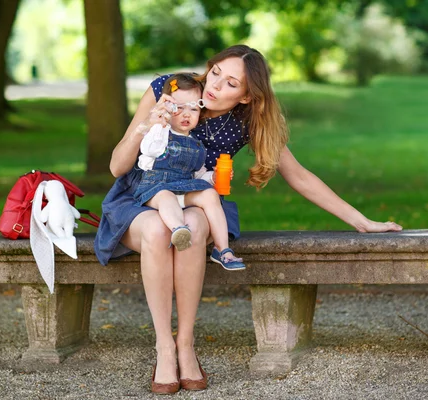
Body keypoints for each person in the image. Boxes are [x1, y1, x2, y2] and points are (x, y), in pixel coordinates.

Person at [94, 44, 402, 394]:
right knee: (155, 227)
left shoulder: (246, 121)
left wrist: (361, 221)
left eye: (230, 83)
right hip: (139, 201)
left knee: (192, 226)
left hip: (196, 204)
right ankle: (164, 348)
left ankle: (186, 344)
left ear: (245, 96)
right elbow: (118, 166)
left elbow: (298, 176)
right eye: (215, 74)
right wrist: (146, 125)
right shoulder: (172, 89)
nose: (214, 86)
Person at [133, 73, 245, 271]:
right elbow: (149, 150)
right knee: (166, 196)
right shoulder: (160, 133)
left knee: (210, 194)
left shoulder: (196, 144)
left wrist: (213, 177)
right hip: (155, 188)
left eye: (193, 109)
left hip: (183, 188)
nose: (186, 114)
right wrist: (158, 124)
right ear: (168, 108)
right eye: (178, 108)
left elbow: (197, 174)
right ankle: (179, 229)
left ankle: (223, 250)